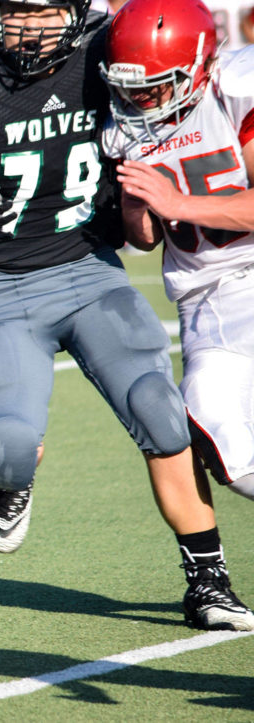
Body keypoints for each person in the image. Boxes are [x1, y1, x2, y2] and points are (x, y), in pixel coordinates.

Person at [0, 0, 254, 631]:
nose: (28, 26)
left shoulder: (106, 51)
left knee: (160, 409)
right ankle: (12, 483)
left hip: (88, 271)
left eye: (43, 11)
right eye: (15, 10)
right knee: (7, 448)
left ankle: (208, 581)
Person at [102, 0, 254, 545]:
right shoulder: (124, 128)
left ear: (198, 65)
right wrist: (139, 208)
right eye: (129, 87)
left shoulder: (235, 96)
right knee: (226, 451)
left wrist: (178, 202)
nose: (138, 100)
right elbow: (144, 240)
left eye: (155, 86)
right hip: (205, 303)